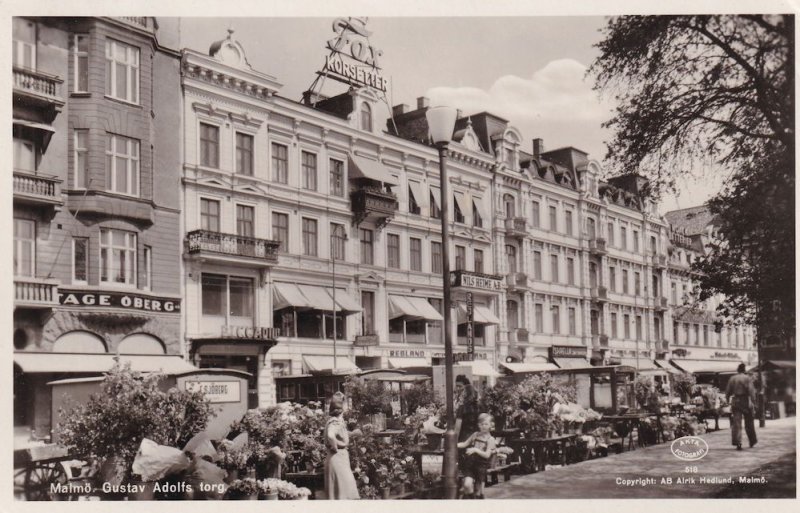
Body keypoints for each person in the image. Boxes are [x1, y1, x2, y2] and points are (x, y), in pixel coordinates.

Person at [324, 392, 360, 499]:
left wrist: (351, 434)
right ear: (341, 408)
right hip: (337, 458)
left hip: (337, 458)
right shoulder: (335, 422)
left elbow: (338, 435)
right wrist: (335, 446)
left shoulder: (335, 421)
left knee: (341, 494)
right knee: (345, 494)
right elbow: (331, 435)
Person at [457, 413, 497, 499]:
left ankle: (475, 500)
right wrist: (453, 444)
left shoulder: (491, 439)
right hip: (470, 464)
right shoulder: (475, 434)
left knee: (478, 492)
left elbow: (487, 455)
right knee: (467, 485)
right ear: (479, 425)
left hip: (481, 467)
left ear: (491, 425)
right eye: (481, 424)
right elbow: (464, 444)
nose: (483, 426)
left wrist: (475, 450)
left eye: (486, 424)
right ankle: (472, 499)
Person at [725, 363, 757, 450]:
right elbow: (751, 391)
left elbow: (727, 391)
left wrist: (727, 400)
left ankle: (738, 442)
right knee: (749, 422)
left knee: (737, 423)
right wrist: (754, 402)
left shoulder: (732, 378)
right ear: (744, 370)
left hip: (736, 401)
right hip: (745, 401)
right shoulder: (747, 378)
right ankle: (752, 441)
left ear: (738, 370)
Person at [455, 375, 478, 442]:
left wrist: (453, 443)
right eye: (456, 386)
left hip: (464, 438)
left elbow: (457, 427)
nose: (458, 389)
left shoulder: (462, 407)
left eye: (460, 386)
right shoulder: (477, 405)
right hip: (476, 437)